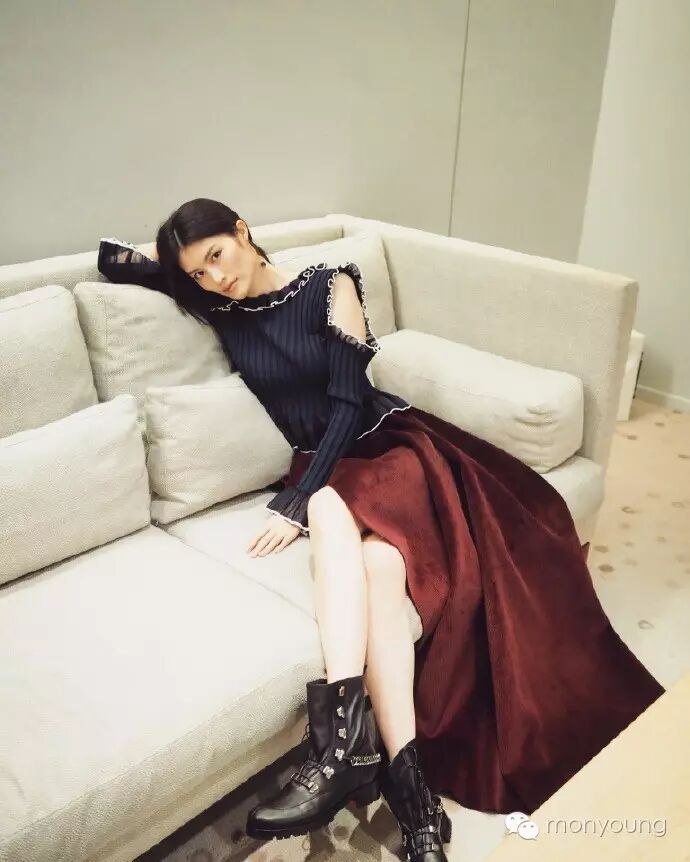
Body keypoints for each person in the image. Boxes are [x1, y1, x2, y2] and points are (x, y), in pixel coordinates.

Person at [98, 198, 665, 861]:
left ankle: (334, 752)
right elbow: (115, 261)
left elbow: (346, 403)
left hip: (383, 446)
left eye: (218, 256)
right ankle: (411, 794)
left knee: (326, 507)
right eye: (198, 273)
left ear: (243, 231)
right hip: (321, 463)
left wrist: (299, 497)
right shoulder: (219, 306)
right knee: (379, 569)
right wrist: (165, 257)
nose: (215, 279)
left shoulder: (331, 285)